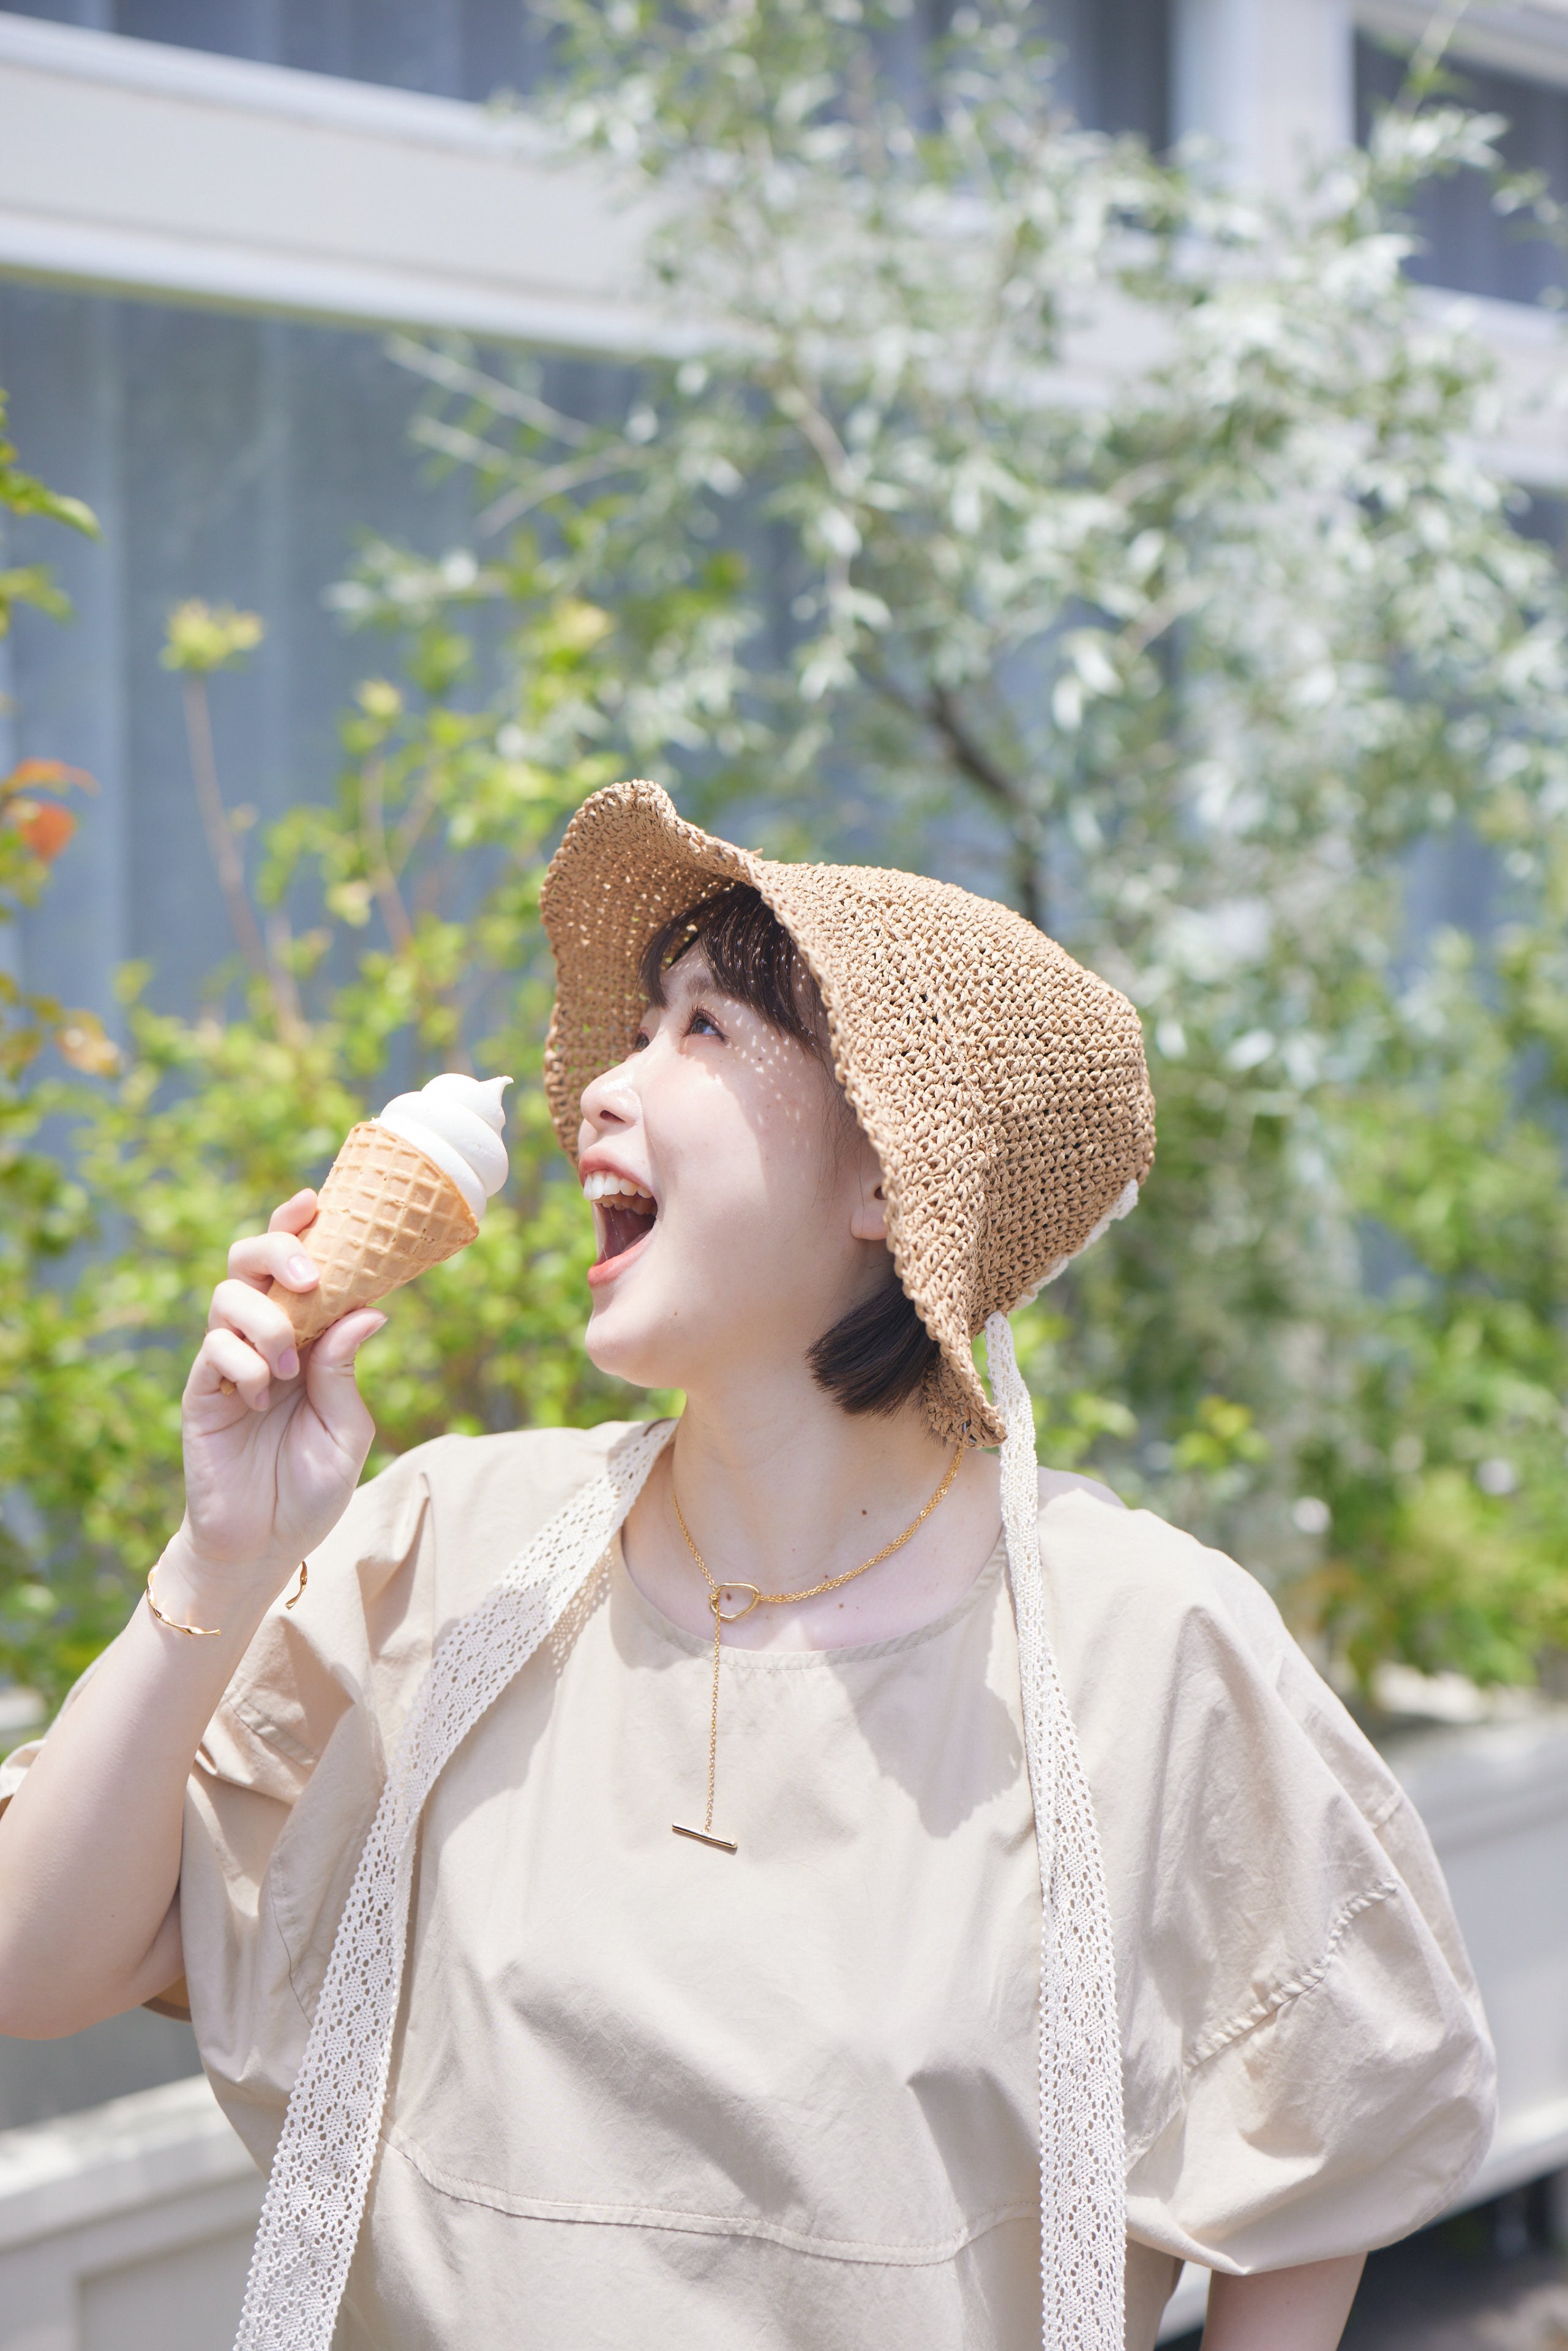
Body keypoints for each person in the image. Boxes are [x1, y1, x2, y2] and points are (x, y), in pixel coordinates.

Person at [0, 780, 1494, 2351]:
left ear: (887, 1178)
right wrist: (224, 1554)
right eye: (639, 1028)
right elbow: (32, 1970)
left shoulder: (1143, 1643)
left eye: (705, 1032)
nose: (601, 1095)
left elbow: (1310, 2164)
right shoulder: (447, 1559)